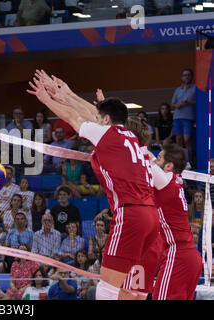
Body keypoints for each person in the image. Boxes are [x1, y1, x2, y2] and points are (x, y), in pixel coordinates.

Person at [28, 70, 159, 300]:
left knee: (106, 289)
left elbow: (76, 118)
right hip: (151, 219)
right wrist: (66, 93)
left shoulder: (110, 135)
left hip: (131, 215)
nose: (95, 121)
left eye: (100, 119)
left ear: (106, 120)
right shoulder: (132, 140)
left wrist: (47, 99)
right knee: (133, 291)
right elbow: (92, 114)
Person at [148, 143, 203, 300]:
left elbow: (144, 161)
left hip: (178, 254)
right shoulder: (174, 180)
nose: (156, 158)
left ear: (169, 165)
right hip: (190, 257)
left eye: (160, 157)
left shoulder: (165, 181)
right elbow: (150, 159)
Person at [171, 68, 196, 163]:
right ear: (182, 77)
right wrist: (177, 105)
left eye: (188, 75)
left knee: (187, 139)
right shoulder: (178, 89)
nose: (186, 77)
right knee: (178, 140)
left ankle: (189, 160)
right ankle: (180, 162)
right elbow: (172, 103)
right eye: (184, 75)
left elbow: (199, 101)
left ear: (191, 77)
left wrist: (189, 102)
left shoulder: (195, 88)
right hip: (177, 116)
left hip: (188, 117)